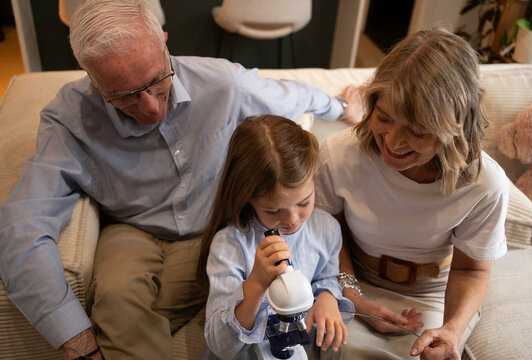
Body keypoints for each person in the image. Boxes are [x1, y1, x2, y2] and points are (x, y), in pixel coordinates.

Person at [0, 1, 363, 360]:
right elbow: (23, 227)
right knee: (117, 293)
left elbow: (289, 93)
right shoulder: (69, 118)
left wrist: (345, 108)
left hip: (212, 226)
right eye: (124, 96)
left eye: (157, 80)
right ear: (91, 77)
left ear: (165, 43)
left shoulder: (221, 82)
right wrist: (76, 341)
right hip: (131, 228)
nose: (151, 108)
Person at [315, 27, 509, 360]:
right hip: (353, 280)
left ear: (454, 128)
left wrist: (451, 330)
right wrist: (353, 296)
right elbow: (326, 234)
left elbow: (470, 270)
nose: (391, 142)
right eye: (384, 117)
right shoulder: (339, 155)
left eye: (417, 131)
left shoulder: (485, 184)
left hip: (432, 295)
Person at [199, 115, 354, 359]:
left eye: (304, 202)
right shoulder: (230, 244)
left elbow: (328, 276)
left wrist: (327, 296)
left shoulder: (326, 229)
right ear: (247, 198)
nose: (292, 219)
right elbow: (221, 346)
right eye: (273, 210)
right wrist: (256, 283)